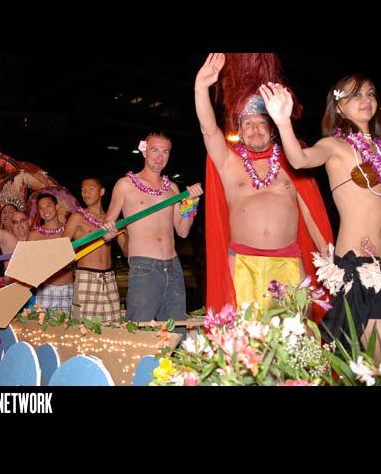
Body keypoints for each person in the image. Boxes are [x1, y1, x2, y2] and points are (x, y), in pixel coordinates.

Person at [261, 73, 381, 358]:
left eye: (370, 93)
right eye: (355, 94)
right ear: (338, 106)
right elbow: (300, 159)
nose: (366, 99)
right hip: (359, 266)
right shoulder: (335, 146)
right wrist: (283, 122)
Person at [195, 53, 333, 314]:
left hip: (289, 263)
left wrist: (330, 258)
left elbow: (311, 215)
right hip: (242, 264)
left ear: (272, 129)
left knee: (294, 335)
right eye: (248, 124)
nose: (255, 128)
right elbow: (208, 130)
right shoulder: (228, 161)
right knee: (244, 337)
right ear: (240, 130)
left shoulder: (293, 161)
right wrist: (201, 88)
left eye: (261, 123)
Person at [101, 133, 203, 327]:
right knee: (139, 330)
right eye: (155, 150)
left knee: (175, 329)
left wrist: (191, 204)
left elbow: (182, 231)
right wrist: (108, 230)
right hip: (144, 266)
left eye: (165, 152)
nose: (159, 157)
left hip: (173, 266)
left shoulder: (172, 189)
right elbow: (107, 231)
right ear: (144, 151)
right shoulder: (125, 185)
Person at [64, 177, 127, 322]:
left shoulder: (112, 220)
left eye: (91, 189)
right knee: (84, 326)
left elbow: (126, 251)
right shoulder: (77, 217)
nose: (85, 193)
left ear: (102, 191)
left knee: (112, 324)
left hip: (109, 277)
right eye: (83, 190)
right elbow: (62, 248)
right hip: (86, 276)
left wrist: (130, 231)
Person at [27, 192, 74, 313]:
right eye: (41, 208)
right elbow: (27, 265)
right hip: (45, 290)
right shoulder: (34, 235)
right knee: (42, 325)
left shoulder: (69, 231)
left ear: (57, 206)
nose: (45, 210)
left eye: (48, 206)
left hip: (68, 289)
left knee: (69, 325)